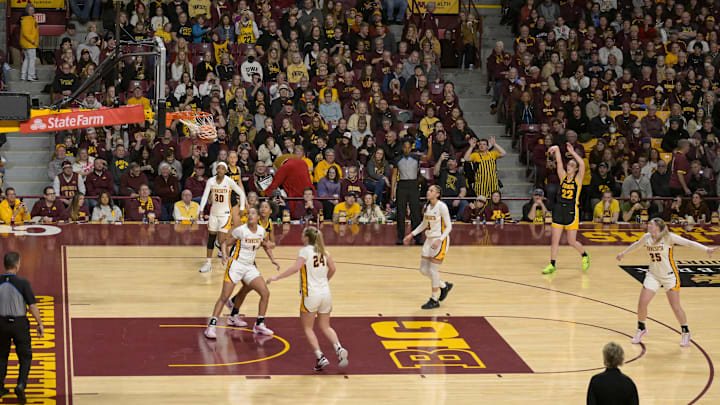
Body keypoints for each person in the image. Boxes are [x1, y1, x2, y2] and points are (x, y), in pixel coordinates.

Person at [616, 218, 717, 347]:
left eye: (651, 224)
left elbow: (689, 243)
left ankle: (686, 331)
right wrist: (623, 254)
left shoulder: (669, 237)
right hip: (653, 274)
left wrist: (706, 249)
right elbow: (636, 245)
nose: (648, 225)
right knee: (642, 303)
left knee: (675, 307)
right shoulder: (647, 237)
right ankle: (641, 328)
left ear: (658, 227)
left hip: (670, 276)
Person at [267, 226, 349, 371]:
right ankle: (339, 348)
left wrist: (277, 277)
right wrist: (325, 280)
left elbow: (295, 268)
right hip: (326, 293)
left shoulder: (305, 251)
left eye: (302, 235)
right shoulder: (324, 251)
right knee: (326, 326)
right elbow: (333, 269)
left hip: (311, 294)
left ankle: (320, 357)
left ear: (307, 238)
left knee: (307, 328)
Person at [205, 208, 276, 338]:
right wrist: (225, 256)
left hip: (249, 267)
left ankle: (259, 324)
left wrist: (273, 260)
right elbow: (225, 243)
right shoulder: (241, 230)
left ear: (258, 217)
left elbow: (266, 245)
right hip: (236, 265)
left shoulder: (261, 231)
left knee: (265, 293)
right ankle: (211, 326)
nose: (250, 215)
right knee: (224, 296)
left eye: (253, 213)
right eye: (249, 214)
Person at [0, 252, 44, 404]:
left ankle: (0, 388)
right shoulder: (23, 283)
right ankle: (20, 385)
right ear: (17, 264)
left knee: (1, 357)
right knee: (25, 357)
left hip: (1, 324)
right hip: (19, 324)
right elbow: (32, 306)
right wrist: (39, 323)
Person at [403, 185, 453, 309]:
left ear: (437, 194)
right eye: (428, 190)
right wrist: (411, 234)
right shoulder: (427, 206)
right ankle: (443, 286)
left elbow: (449, 227)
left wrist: (440, 240)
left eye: (431, 190)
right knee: (423, 270)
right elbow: (424, 224)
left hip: (440, 240)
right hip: (429, 240)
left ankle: (434, 299)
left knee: (433, 270)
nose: (428, 192)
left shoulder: (442, 206)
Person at [542, 144, 590, 274]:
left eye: (572, 166)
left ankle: (585, 255)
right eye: (568, 165)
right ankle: (552, 264)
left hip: (571, 211)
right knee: (554, 239)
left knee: (571, 241)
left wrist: (573, 153)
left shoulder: (578, 180)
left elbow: (583, 165)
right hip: (559, 209)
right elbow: (558, 164)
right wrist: (557, 149)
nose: (569, 167)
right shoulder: (563, 177)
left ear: (575, 169)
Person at [198, 162, 246, 273]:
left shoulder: (229, 181)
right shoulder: (211, 181)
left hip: (225, 214)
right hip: (213, 214)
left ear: (226, 171)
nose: (220, 170)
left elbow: (242, 193)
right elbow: (205, 196)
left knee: (222, 240)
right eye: (218, 168)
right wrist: (201, 210)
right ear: (216, 170)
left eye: (223, 168)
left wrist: (242, 207)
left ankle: (229, 262)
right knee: (211, 238)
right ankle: (208, 263)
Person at [393, 140, 422, 245]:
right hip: (402, 185)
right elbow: (394, 176)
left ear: (411, 148)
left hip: (413, 184)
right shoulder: (397, 159)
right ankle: (400, 237)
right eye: (404, 147)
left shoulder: (416, 158)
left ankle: (418, 237)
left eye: (408, 147)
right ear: (402, 148)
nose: (406, 149)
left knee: (416, 212)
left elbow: (427, 157)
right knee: (401, 212)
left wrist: (429, 146)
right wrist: (392, 191)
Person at [20, 4, 39, 82]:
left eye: (33, 10)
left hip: (27, 43)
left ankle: (23, 75)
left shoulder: (29, 19)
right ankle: (30, 76)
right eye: (30, 10)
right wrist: (32, 40)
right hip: (30, 43)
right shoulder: (27, 19)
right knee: (32, 59)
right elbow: (26, 33)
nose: (32, 11)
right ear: (27, 11)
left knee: (27, 59)